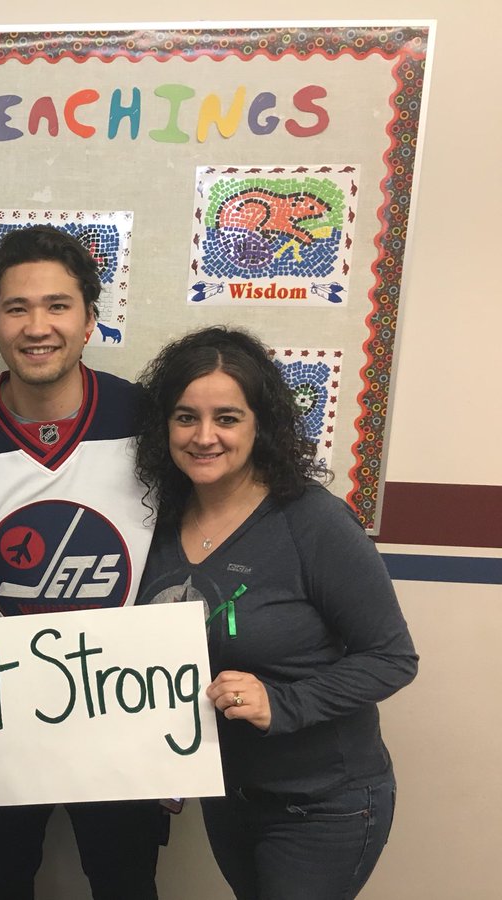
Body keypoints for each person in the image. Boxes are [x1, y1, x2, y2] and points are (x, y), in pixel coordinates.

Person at [0, 225, 165, 899]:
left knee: (126, 882)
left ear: (90, 319)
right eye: (16, 307)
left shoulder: (150, 425)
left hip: (123, 717)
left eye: (58, 305)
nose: (37, 326)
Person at [133, 326, 418, 900]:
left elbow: (392, 658)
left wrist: (283, 702)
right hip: (229, 796)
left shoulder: (312, 521)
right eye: (186, 417)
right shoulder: (154, 523)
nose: (204, 436)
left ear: (260, 424)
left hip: (322, 805)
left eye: (227, 418)